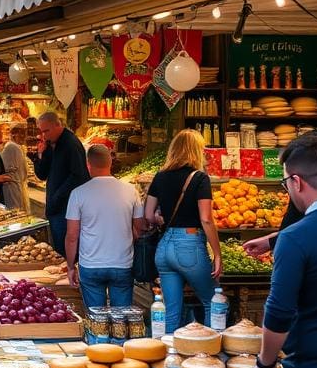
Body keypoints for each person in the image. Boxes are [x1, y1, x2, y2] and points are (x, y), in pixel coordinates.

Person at [253, 133, 317, 368]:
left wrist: (265, 365)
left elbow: (279, 313)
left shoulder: (296, 238)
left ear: (296, 182)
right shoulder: (292, 238)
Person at [143, 129, 221, 332]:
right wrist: (217, 253)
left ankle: (166, 357)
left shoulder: (160, 176)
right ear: (196, 151)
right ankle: (211, 357)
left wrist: (164, 219)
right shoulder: (199, 178)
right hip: (189, 245)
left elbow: (149, 215)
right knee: (214, 302)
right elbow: (206, 219)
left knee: (171, 312)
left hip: (164, 247)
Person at [64, 145, 144, 308]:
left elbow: (72, 236)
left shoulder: (78, 193)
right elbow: (139, 229)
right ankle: (120, 334)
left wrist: (71, 266)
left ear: (88, 165)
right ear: (110, 163)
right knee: (121, 318)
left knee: (96, 320)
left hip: (91, 265)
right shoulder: (131, 191)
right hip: (122, 263)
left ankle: (98, 335)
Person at [28, 112, 88, 257]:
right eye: (41, 132)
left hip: (67, 208)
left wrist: (57, 197)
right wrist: (39, 155)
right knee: (59, 249)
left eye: (46, 131)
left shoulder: (71, 144)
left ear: (58, 125)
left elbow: (78, 176)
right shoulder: (50, 144)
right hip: (56, 207)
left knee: (66, 251)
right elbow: (42, 174)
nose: (44, 135)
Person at [0, 124, 29, 210]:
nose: (23, 136)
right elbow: (7, 169)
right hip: (12, 186)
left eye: (24, 133)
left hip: (18, 184)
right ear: (13, 134)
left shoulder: (17, 147)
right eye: (20, 133)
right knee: (15, 210)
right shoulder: (11, 147)